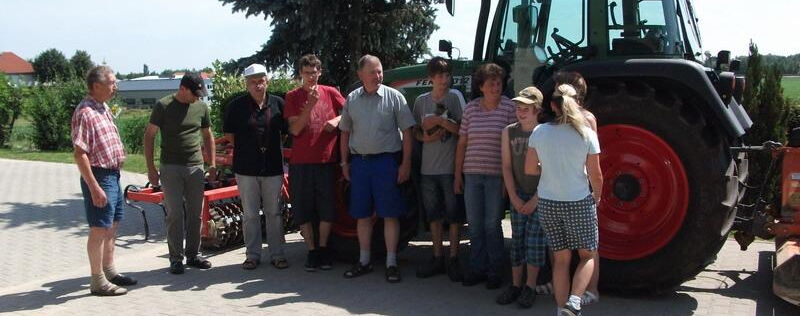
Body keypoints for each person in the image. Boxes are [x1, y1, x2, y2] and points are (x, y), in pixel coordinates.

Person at [525, 84, 603, 316]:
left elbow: (530, 169)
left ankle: (561, 310)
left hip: (548, 202)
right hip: (578, 201)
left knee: (560, 259)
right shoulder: (586, 133)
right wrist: (596, 198)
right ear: (575, 103)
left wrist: (550, 167)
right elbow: (596, 174)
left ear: (551, 106)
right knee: (587, 255)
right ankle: (575, 301)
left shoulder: (539, 132)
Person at [339, 55, 416, 283]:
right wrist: (344, 163)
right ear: (360, 75)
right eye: (372, 72)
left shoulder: (394, 98)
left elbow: (408, 131)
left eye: (380, 71)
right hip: (360, 164)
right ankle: (364, 261)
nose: (377, 76)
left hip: (387, 163)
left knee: (390, 214)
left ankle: (391, 263)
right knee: (362, 215)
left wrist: (406, 163)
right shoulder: (352, 99)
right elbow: (344, 132)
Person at [72, 65, 137, 296]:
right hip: (100, 176)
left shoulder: (103, 107)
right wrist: (94, 187)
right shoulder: (85, 112)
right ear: (96, 85)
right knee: (99, 228)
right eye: (111, 82)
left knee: (112, 225)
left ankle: (109, 271)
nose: (115, 86)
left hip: (112, 175)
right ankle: (97, 280)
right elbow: (80, 154)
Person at [144, 72, 215, 274]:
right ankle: (176, 258)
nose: (197, 97)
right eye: (194, 93)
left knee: (195, 214)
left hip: (195, 167)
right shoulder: (163, 106)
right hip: (170, 168)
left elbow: (208, 135)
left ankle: (193, 255)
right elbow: (149, 136)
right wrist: (151, 168)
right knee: (175, 214)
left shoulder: (201, 107)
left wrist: (212, 164)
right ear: (182, 89)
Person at [454, 63, 517, 289]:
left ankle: (495, 270)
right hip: (472, 175)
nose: (496, 87)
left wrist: (507, 180)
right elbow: (462, 143)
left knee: (492, 224)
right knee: (475, 225)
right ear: (481, 86)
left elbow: (512, 145)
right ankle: (477, 268)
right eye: (491, 83)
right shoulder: (470, 109)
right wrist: (457, 175)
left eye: (499, 83)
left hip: (496, 177)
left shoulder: (509, 108)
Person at [222, 64, 290, 270]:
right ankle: (252, 255)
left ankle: (277, 254)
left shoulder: (279, 104)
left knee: (274, 212)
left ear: (267, 81)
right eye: (253, 82)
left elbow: (285, 134)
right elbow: (229, 136)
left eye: (261, 80)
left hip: (272, 167)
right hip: (246, 168)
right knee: (250, 214)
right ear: (246, 84)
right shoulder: (236, 106)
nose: (257, 85)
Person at [284, 54, 346, 272]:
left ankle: (323, 249)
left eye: (314, 72)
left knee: (327, 208)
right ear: (300, 73)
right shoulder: (292, 97)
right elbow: (295, 129)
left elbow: (349, 112)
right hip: (301, 163)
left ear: (320, 72)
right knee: (304, 209)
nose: (311, 77)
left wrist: (336, 120)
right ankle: (311, 251)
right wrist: (310, 105)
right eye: (307, 73)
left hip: (327, 160)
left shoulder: (330, 92)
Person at [412, 57, 466, 281]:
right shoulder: (421, 101)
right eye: (440, 76)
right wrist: (425, 136)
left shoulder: (455, 98)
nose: (445, 80)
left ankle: (453, 258)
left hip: (450, 167)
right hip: (428, 169)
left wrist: (441, 122)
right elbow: (415, 131)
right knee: (433, 216)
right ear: (431, 78)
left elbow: (465, 129)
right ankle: (437, 257)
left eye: (447, 75)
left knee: (453, 217)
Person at [496, 86, 545, 308]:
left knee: (534, 242)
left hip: (540, 195)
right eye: (518, 107)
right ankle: (515, 285)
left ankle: (530, 287)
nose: (521, 111)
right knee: (517, 241)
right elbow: (506, 166)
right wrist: (513, 197)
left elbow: (550, 170)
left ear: (537, 109)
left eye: (526, 108)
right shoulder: (509, 131)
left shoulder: (545, 133)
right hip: (518, 194)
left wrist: (536, 199)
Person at [553, 71, 600, 305]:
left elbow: (592, 161)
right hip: (577, 188)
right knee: (586, 247)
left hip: (572, 188)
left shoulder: (584, 120)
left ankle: (586, 291)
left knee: (582, 249)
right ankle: (582, 291)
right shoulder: (567, 122)